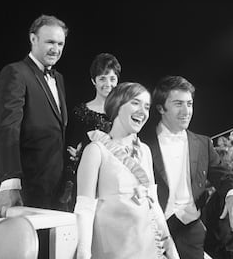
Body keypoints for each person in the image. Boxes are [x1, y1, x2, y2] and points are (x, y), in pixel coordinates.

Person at [143, 75, 233, 259]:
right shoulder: (142, 143)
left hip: (190, 229)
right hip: (149, 230)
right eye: (178, 104)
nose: (186, 111)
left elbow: (225, 176)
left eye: (189, 104)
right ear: (160, 108)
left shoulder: (203, 143)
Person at [74, 82, 179, 259]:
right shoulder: (96, 151)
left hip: (145, 247)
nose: (143, 111)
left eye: (147, 106)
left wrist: (169, 244)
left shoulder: (144, 151)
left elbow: (153, 201)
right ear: (117, 105)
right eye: (135, 103)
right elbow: (85, 208)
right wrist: (84, 253)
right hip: (112, 248)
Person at [0, 14, 68, 214]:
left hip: (56, 188)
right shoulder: (15, 72)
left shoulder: (58, 78)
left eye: (60, 43)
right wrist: (10, 183)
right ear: (33, 39)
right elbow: (8, 128)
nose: (56, 49)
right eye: (50, 42)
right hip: (27, 187)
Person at [64, 53, 121, 211]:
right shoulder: (80, 112)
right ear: (93, 81)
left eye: (112, 79)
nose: (107, 84)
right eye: (102, 78)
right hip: (87, 184)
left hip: (117, 183)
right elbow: (71, 150)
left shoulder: (123, 113)